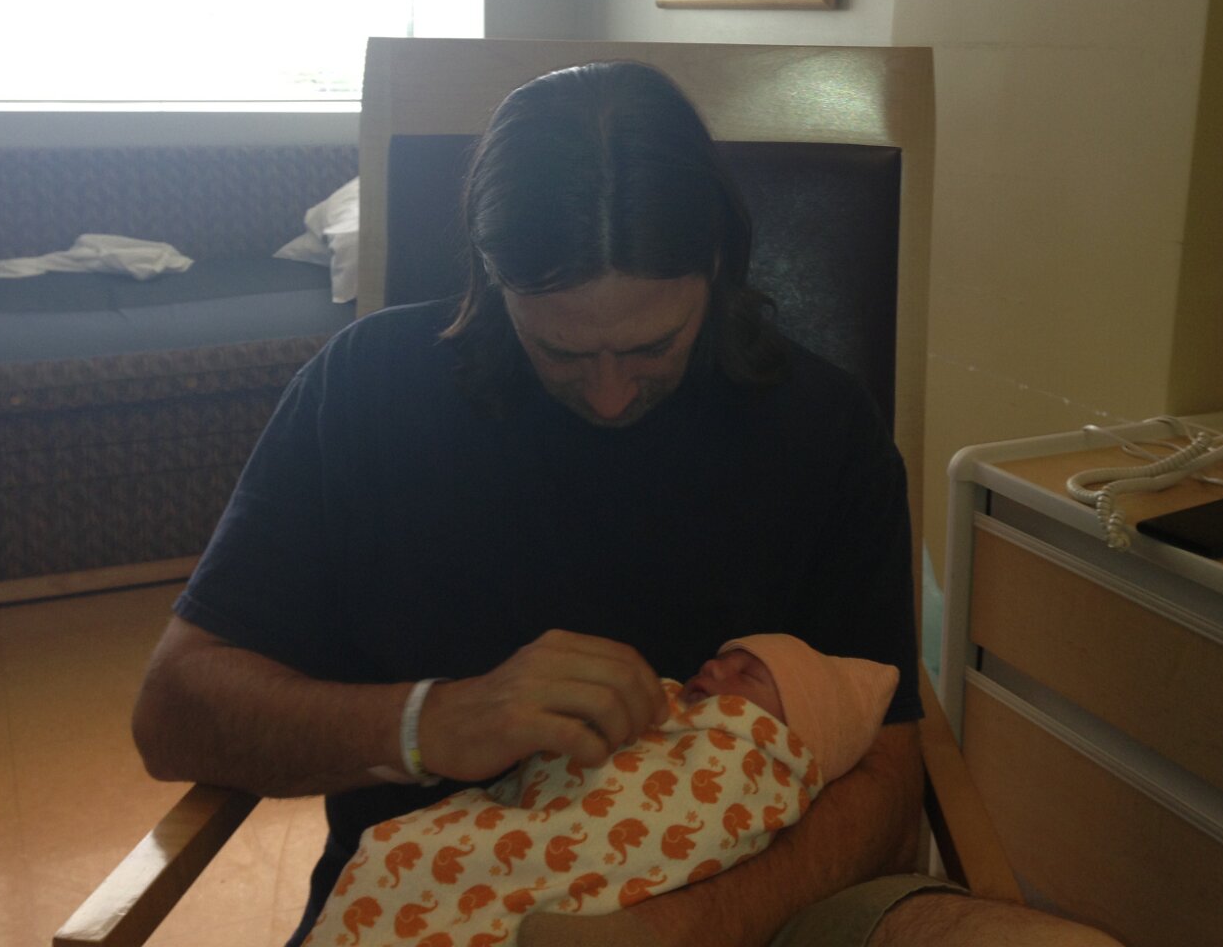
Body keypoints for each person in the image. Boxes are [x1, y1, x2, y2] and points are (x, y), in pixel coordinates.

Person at [133, 60, 1120, 946]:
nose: (609, 395)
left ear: (716, 267)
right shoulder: (366, 392)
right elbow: (175, 711)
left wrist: (678, 929)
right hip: (443, 908)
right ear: (492, 279)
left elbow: (890, 775)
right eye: (560, 349)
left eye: (653, 345)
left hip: (773, 908)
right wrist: (429, 722)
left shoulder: (822, 429)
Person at [302, 635, 904, 947]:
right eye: (723, 660)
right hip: (506, 829)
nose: (716, 669)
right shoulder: (666, 709)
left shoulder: (761, 760)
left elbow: (700, 822)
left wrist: (682, 926)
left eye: (747, 675)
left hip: (698, 905)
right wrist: (424, 724)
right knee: (409, 857)